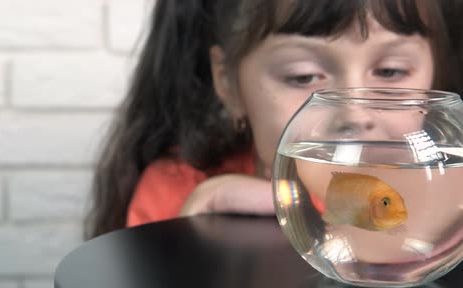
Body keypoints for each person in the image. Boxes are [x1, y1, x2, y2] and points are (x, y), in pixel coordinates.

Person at [85, 0, 463, 239]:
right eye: (303, 76)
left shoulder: (450, 198)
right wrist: (193, 238)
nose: (355, 113)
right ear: (229, 83)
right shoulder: (177, 192)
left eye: (392, 71)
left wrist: (301, 207)